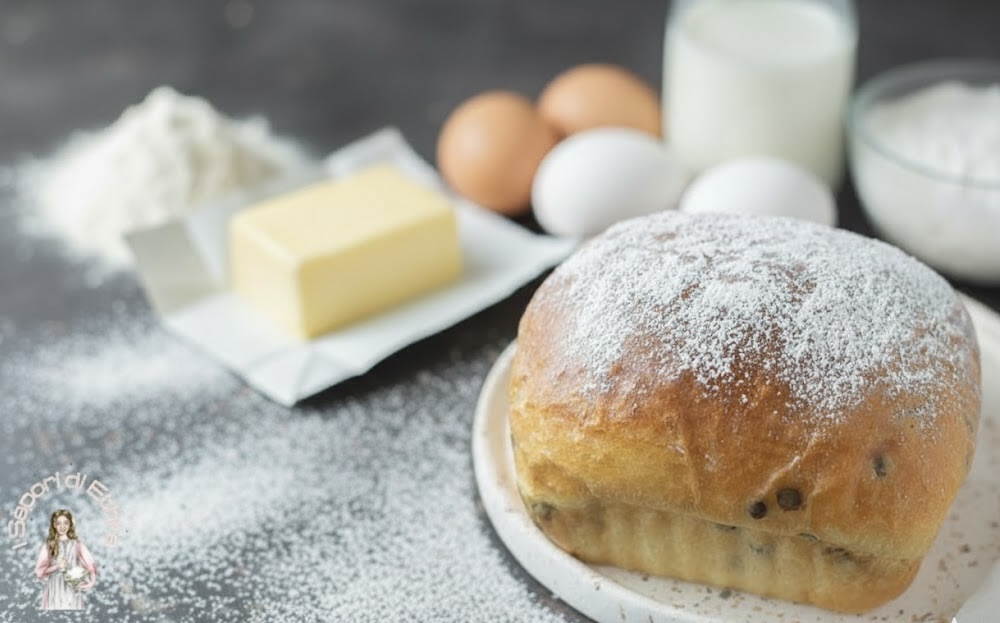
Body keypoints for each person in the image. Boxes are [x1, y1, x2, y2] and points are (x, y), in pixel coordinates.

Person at [33, 509, 97, 610]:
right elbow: (40, 571)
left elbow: (90, 565)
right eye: (59, 523)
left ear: (70, 524)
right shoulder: (49, 544)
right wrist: (57, 566)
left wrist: (90, 582)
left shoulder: (77, 543)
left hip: (72, 587)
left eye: (66, 523)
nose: (62, 527)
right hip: (55, 588)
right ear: (54, 525)